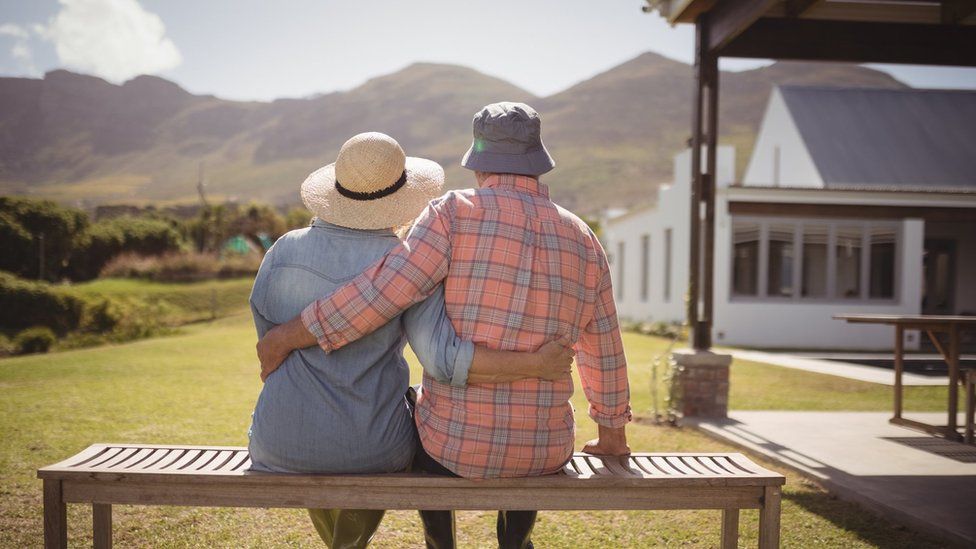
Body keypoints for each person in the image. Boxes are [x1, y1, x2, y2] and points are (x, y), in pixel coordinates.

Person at [257, 103, 632, 549]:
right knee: (531, 432)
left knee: (422, 425)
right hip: (544, 451)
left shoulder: (452, 212)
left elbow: (384, 292)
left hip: (451, 449)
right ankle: (514, 540)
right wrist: (612, 436)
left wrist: (292, 333)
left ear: (478, 166)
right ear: (536, 162)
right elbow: (604, 346)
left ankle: (441, 544)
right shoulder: (583, 238)